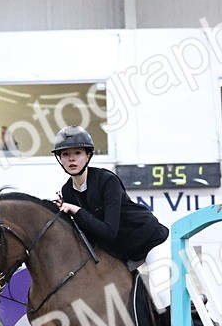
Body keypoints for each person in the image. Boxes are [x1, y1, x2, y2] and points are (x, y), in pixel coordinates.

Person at [50, 125, 172, 311]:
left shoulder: (107, 181)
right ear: (60, 159)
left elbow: (109, 231)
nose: (72, 159)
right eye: (65, 154)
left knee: (162, 295)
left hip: (151, 243)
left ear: (88, 155)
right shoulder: (67, 190)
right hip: (124, 254)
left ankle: (191, 318)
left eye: (77, 153)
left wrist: (77, 211)